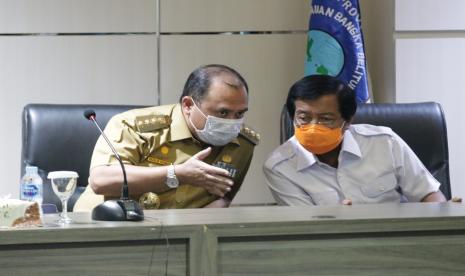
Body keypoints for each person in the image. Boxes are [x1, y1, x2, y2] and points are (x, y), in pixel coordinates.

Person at [74, 64, 259, 210]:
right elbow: (101, 180)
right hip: (106, 227)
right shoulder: (135, 126)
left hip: (177, 239)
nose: (232, 122)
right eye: (223, 113)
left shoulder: (242, 145)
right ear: (188, 105)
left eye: (240, 114)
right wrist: (177, 174)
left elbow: (223, 199)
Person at [263, 75, 446, 206]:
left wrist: (444, 214)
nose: (313, 126)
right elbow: (307, 230)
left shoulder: (385, 143)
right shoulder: (279, 167)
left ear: (347, 121)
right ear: (292, 116)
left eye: (325, 119)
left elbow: (428, 194)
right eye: (304, 118)